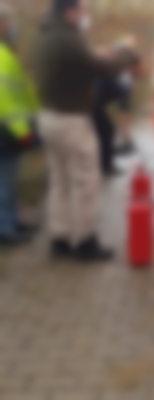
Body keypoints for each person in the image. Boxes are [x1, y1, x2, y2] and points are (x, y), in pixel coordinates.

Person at [31, 0, 138, 261]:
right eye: (81, 9)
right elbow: (104, 68)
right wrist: (124, 51)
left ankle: (60, 238)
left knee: (59, 180)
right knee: (85, 180)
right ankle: (85, 242)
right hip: (72, 120)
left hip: (48, 116)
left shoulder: (45, 37)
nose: (84, 15)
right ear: (69, 11)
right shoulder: (71, 37)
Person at [0, 3, 40, 245]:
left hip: (11, 131)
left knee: (11, 179)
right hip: (7, 132)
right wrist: (23, 131)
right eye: (8, 22)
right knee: (5, 181)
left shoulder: (8, 53)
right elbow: (6, 100)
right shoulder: (3, 57)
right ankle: (6, 227)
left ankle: (11, 221)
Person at [92, 48, 141, 177]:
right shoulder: (121, 78)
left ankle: (104, 165)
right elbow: (124, 109)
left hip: (91, 104)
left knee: (105, 131)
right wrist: (126, 137)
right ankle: (105, 167)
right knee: (105, 132)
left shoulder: (115, 74)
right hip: (88, 105)